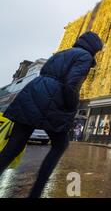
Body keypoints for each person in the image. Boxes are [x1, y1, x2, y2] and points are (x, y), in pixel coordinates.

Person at [0, 31, 103, 198]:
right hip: (54, 99)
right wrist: (72, 106)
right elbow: (71, 84)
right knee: (60, 145)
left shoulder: (63, 53)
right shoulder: (84, 57)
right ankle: (36, 192)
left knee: (13, 147)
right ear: (93, 48)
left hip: (33, 92)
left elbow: (45, 72)